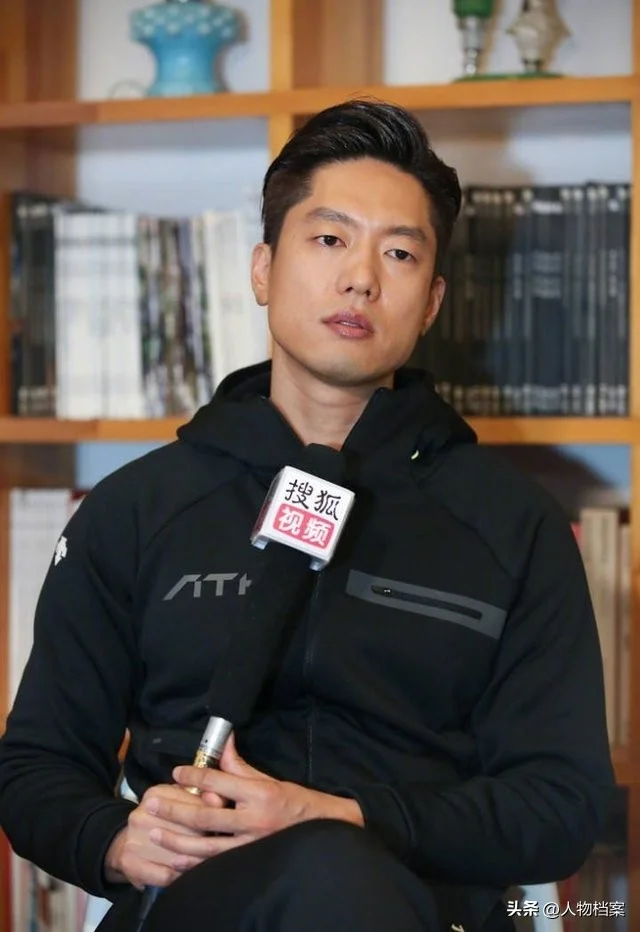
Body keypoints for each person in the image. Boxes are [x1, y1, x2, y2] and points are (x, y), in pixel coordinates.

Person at [0, 99, 614, 932]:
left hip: (418, 908)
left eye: (399, 253)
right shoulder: (136, 510)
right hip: (194, 903)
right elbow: (36, 767)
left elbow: (562, 805)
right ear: (262, 270)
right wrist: (116, 841)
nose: (361, 277)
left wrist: (341, 818)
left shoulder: (515, 526)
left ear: (432, 302)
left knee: (333, 872)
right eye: (329, 239)